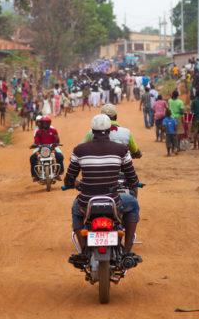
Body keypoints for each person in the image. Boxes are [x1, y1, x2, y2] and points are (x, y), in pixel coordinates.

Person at [65, 114, 142, 268]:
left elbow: (69, 179)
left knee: (76, 210)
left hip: (87, 202)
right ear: (110, 130)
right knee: (133, 204)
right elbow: (132, 178)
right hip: (113, 201)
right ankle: (126, 251)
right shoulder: (122, 150)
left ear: (92, 131)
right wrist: (133, 182)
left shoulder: (79, 150)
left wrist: (75, 183)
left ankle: (83, 253)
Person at [30, 116, 64, 182]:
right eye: (43, 123)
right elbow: (36, 141)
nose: (44, 124)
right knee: (32, 158)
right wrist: (36, 145)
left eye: (46, 123)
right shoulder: (38, 132)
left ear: (49, 123)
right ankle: (35, 175)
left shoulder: (53, 130)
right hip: (41, 149)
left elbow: (57, 139)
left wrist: (56, 144)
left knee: (60, 156)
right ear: (41, 124)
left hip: (52, 148)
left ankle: (58, 173)